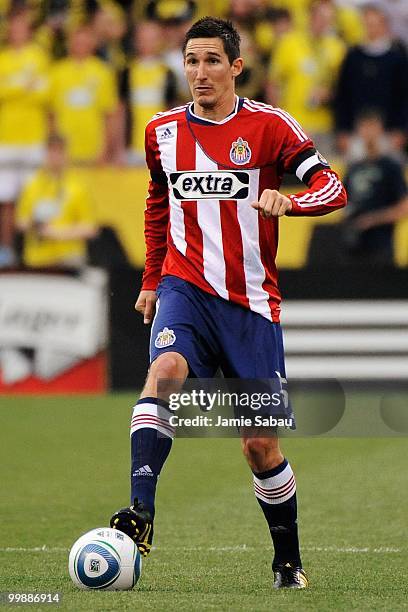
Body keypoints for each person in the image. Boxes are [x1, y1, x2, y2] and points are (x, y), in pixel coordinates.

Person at [110, 17, 346, 589]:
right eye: (191, 60)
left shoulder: (269, 127)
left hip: (250, 304)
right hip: (183, 287)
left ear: (236, 66)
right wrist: (150, 278)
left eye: (212, 60)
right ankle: (141, 514)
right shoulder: (161, 132)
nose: (199, 72)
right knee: (163, 372)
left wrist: (291, 202)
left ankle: (287, 559)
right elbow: (157, 206)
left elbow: (332, 186)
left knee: (260, 445)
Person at [0, 7, 50, 268]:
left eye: (21, 28)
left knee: (34, 195)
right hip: (6, 138)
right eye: (13, 28)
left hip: (33, 138)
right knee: (6, 199)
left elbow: (44, 92)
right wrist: (23, 87)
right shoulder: (2, 58)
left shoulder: (38, 56)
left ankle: (35, 249)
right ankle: (6, 249)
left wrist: (13, 88)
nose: (17, 32)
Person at [334, 3, 408, 156]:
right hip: (356, 135)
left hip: (389, 135)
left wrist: (401, 130)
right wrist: (342, 129)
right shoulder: (352, 57)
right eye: (367, 24)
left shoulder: (398, 58)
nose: (371, 29)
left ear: (384, 25)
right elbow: (342, 96)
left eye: (375, 24)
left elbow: (404, 97)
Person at [15, 133, 98, 269]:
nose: (55, 157)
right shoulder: (32, 185)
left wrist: (59, 233)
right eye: (51, 151)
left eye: (59, 151)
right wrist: (36, 225)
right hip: (37, 258)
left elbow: (90, 227)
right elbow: (20, 222)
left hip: (68, 258)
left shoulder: (78, 187)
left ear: (66, 154)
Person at [341, 110, 408, 265]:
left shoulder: (390, 167)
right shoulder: (353, 167)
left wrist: (372, 220)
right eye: (364, 127)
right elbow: (342, 202)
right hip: (353, 246)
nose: (368, 133)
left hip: (381, 246)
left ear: (380, 130)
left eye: (372, 127)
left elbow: (403, 207)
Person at [50, 24, 118, 164]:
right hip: (65, 151)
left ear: (92, 44)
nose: (80, 45)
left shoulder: (102, 72)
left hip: (94, 148)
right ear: (69, 44)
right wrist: (54, 150)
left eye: (84, 42)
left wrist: (106, 150)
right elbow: (51, 115)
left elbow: (109, 115)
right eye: (77, 42)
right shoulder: (57, 72)